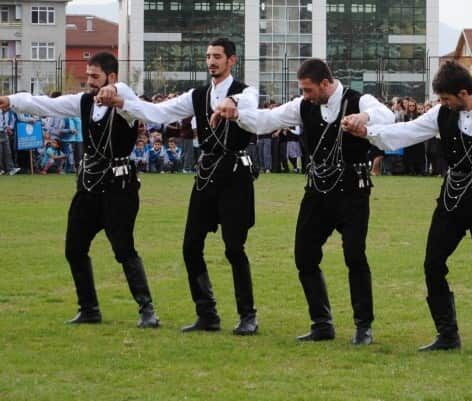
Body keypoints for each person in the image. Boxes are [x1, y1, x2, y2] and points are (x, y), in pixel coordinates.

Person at [347, 61, 472, 358]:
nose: (443, 104)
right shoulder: (441, 114)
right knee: (433, 264)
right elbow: (405, 132)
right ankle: (447, 335)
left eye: (446, 98)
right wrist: (367, 132)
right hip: (451, 200)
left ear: (463, 93)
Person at [213, 58, 394, 344]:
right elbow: (267, 119)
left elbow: (387, 115)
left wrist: (364, 117)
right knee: (304, 255)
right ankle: (322, 323)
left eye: (308, 89)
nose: (305, 95)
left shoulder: (359, 100)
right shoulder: (303, 106)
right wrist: (237, 115)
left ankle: (363, 326)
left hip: (353, 193)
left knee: (354, 256)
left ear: (325, 83)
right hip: (317, 191)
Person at [96, 38, 260, 335]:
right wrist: (122, 102)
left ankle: (247, 315)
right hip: (206, 177)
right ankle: (207, 314)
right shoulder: (197, 96)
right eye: (208, 56)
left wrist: (232, 103)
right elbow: (159, 112)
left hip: (235, 177)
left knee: (234, 248)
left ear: (232, 60)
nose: (211, 62)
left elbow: (250, 105)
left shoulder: (245, 91)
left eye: (217, 56)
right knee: (190, 246)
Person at [0, 52, 160, 328]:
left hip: (119, 188)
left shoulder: (125, 106)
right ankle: (89, 309)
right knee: (74, 248)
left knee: (123, 249)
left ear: (111, 77)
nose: (89, 81)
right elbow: (46, 104)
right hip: (88, 187)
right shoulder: (84, 102)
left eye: (95, 76)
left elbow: (126, 92)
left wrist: (115, 89)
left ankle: (147, 309)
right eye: (88, 75)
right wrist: (11, 100)